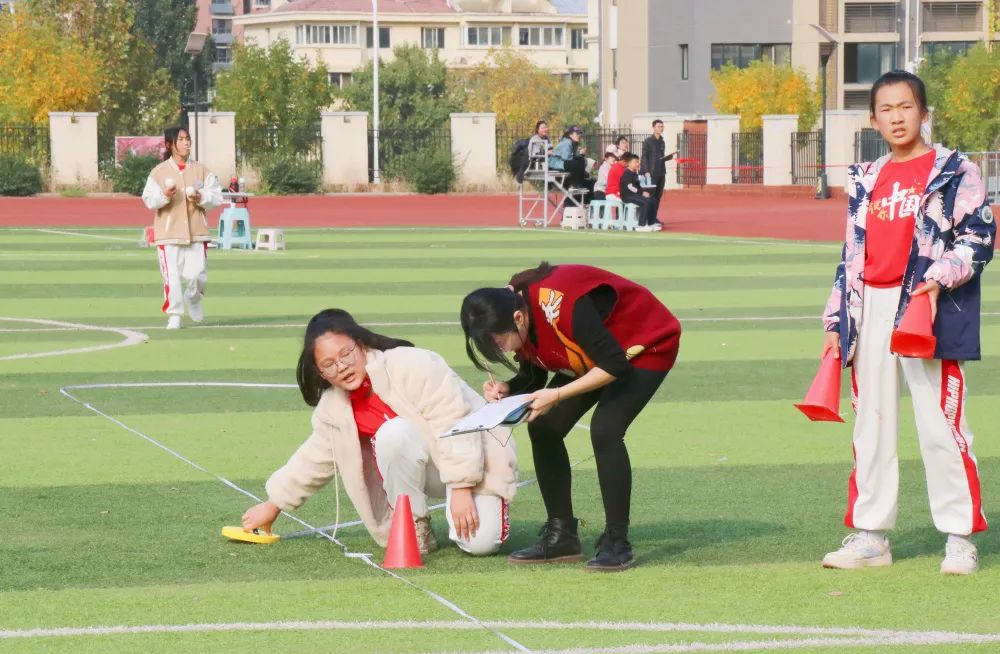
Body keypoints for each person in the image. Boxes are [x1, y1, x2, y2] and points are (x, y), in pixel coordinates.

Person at [818, 70, 996, 576]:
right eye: (887, 109)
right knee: (871, 424)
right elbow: (851, 253)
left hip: (924, 305)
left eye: (906, 107)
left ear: (923, 112)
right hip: (868, 307)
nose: (897, 117)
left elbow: (979, 236)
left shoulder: (954, 170)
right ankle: (872, 535)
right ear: (874, 119)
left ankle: (959, 538)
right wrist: (837, 317)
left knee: (941, 423)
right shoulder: (866, 177)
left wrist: (939, 278)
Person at [241, 309, 518, 557]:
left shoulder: (412, 364)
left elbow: (455, 422)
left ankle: (475, 504)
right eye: (328, 365)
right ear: (321, 373)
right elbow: (314, 458)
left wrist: (461, 488)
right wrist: (273, 504)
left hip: (477, 458)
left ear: (360, 344)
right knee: (393, 434)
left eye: (346, 353)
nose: (341, 367)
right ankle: (414, 525)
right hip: (429, 468)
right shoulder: (335, 408)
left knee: (480, 544)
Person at [460, 263, 681, 572]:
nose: (498, 349)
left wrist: (558, 394)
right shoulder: (512, 306)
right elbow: (534, 374)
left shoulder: (561, 305)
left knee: (606, 429)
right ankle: (562, 535)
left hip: (644, 345)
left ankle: (617, 541)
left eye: (498, 342)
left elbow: (614, 366)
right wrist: (507, 388)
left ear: (518, 319)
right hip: (593, 355)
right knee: (544, 426)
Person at [141, 126, 223, 330]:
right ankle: (175, 315)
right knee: (173, 277)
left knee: (198, 275)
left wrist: (201, 197)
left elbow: (216, 196)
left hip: (197, 232)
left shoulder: (201, 170)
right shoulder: (159, 173)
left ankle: (193, 299)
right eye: (182, 139)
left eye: (188, 139)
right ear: (170, 145)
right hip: (168, 234)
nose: (187, 143)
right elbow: (150, 200)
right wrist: (165, 196)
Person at [639, 119, 676, 224]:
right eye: (659, 126)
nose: (661, 128)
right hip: (650, 173)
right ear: (654, 128)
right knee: (650, 196)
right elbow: (644, 157)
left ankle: (654, 217)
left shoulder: (662, 141)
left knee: (658, 197)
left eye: (662, 126)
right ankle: (647, 218)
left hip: (661, 172)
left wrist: (668, 157)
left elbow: (660, 158)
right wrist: (646, 171)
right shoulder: (648, 141)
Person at [619, 153, 659, 231]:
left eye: (638, 162)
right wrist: (642, 193)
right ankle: (641, 225)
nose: (638, 164)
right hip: (628, 196)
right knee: (646, 202)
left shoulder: (635, 173)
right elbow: (630, 187)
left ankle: (651, 223)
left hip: (635, 195)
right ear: (629, 163)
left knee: (653, 201)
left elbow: (638, 186)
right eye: (635, 162)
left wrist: (644, 192)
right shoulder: (627, 173)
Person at [549, 125, 594, 193]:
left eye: (580, 133)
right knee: (577, 161)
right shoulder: (566, 142)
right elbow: (567, 158)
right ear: (570, 135)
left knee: (581, 160)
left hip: (562, 162)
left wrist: (579, 154)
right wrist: (579, 154)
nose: (579, 135)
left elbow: (572, 157)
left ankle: (579, 183)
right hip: (555, 164)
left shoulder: (573, 143)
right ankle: (575, 184)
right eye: (577, 133)